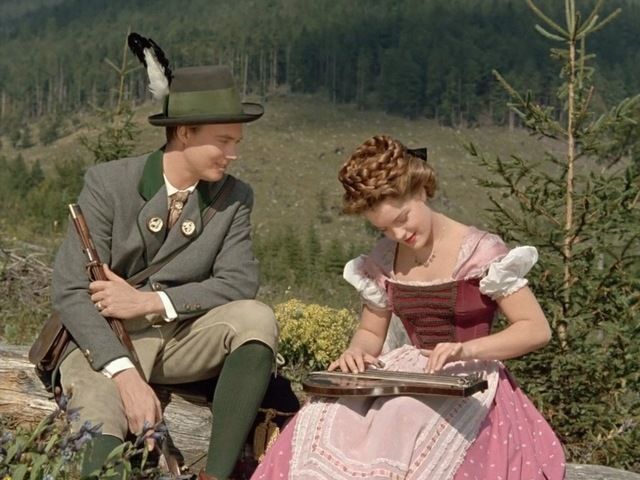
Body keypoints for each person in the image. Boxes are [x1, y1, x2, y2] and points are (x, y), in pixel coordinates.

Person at [251, 134, 566, 480]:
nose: (398, 234)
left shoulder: (481, 252)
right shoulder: (385, 258)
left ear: (421, 190)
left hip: (470, 380)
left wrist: (465, 349)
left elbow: (535, 329)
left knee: (404, 415)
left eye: (402, 218)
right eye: (384, 228)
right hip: (404, 375)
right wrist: (356, 352)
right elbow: (371, 331)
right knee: (321, 413)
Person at [49, 65, 278, 480]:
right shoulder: (109, 183)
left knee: (257, 318)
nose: (233, 154)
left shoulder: (235, 197)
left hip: (180, 340)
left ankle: (217, 474)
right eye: (223, 141)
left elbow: (240, 281)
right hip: (103, 340)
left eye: (236, 142)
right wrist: (126, 376)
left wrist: (150, 302)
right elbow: (70, 290)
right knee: (99, 412)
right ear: (184, 133)